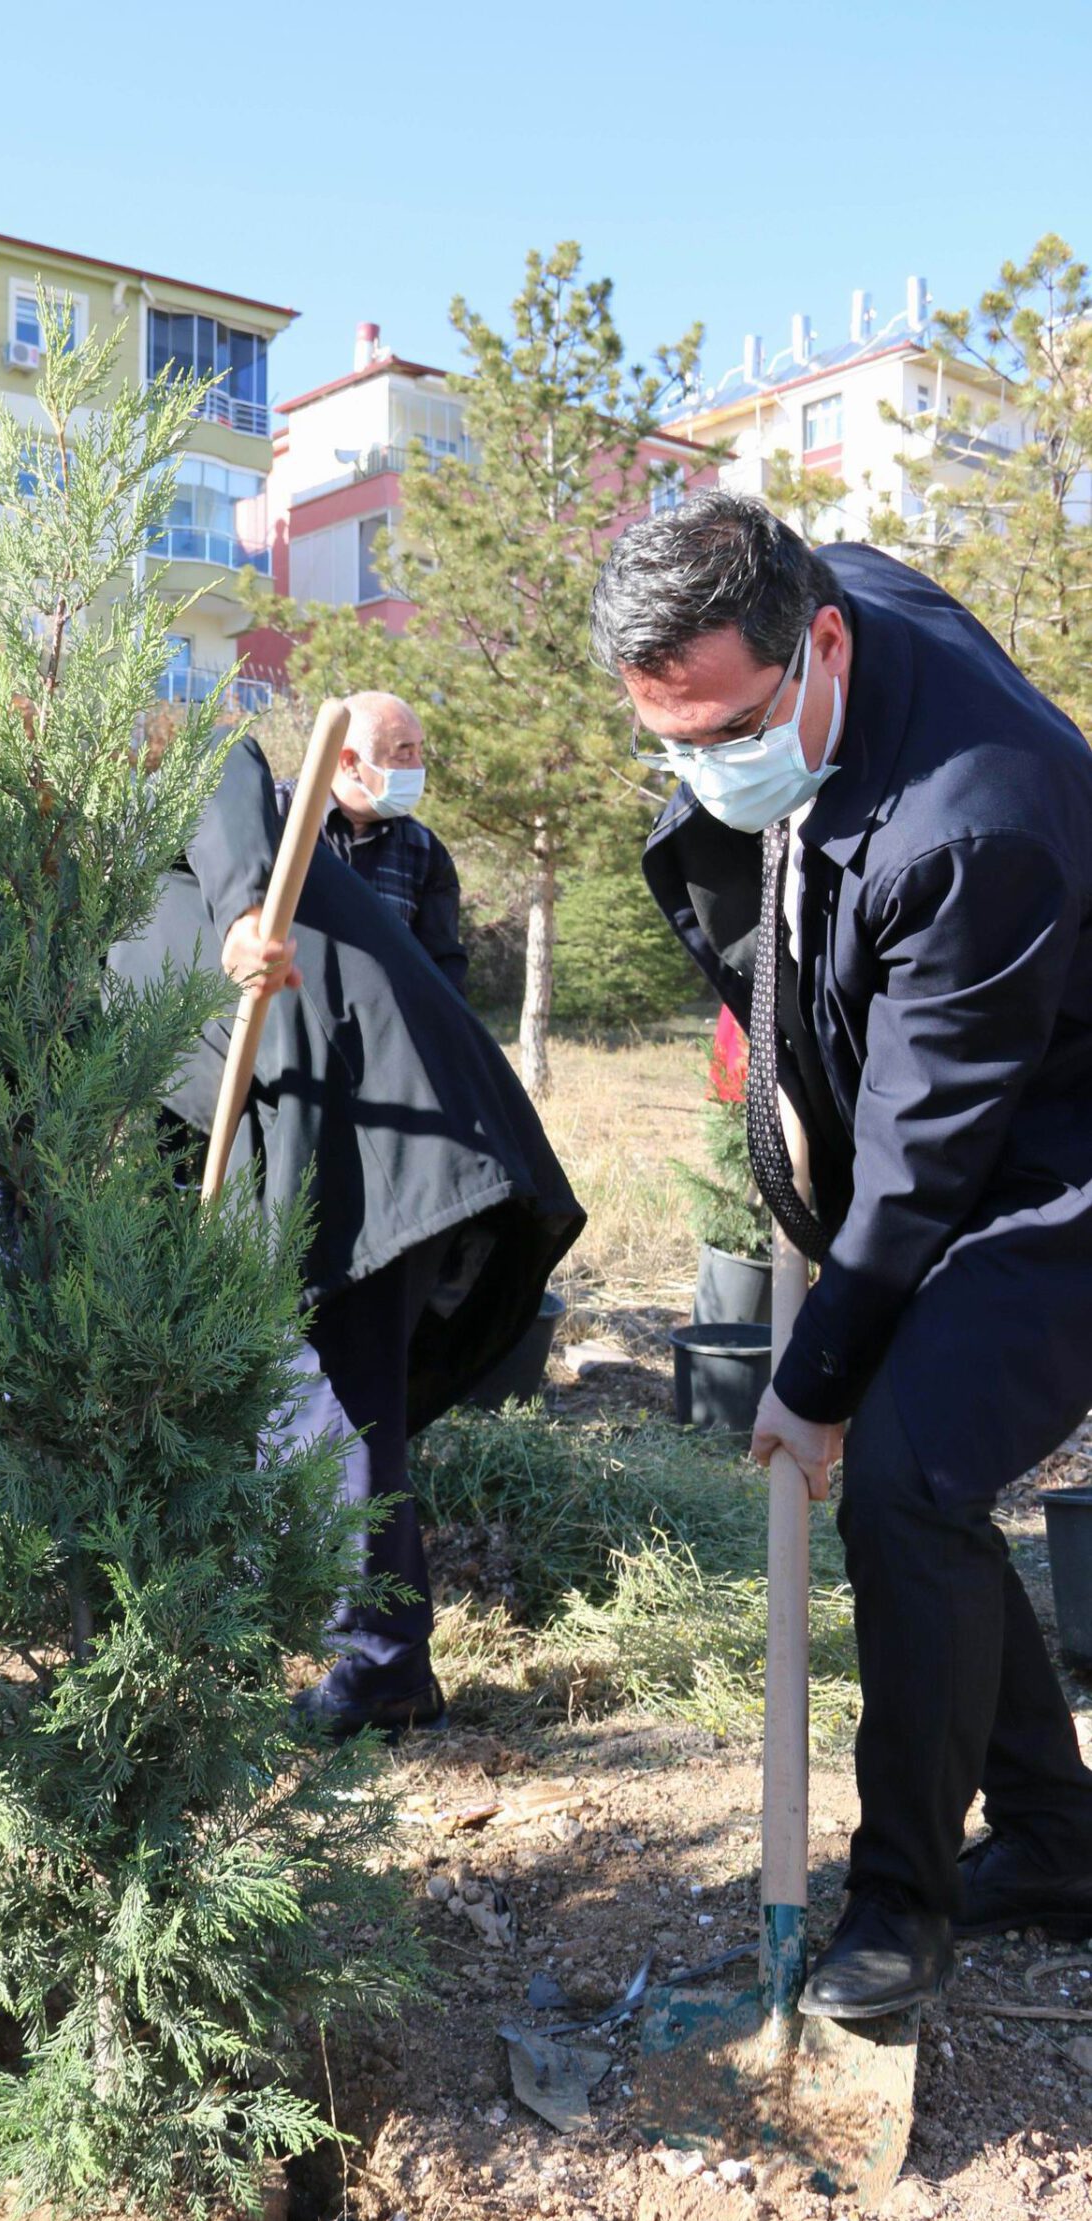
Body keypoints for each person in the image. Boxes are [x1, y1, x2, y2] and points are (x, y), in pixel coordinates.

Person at [591, 490, 1092, 2022]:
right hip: (965, 1092)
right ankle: (1064, 1846)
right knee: (917, 1489)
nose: (701, 767)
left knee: (900, 1474)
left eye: (727, 730)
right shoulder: (826, 596)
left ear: (816, 644)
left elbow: (916, 1169)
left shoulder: (978, 825)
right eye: (665, 739)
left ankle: (899, 1906)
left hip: (1060, 1155)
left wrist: (811, 1386)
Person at [111, 731, 583, 1741]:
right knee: (329, 1405)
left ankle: (379, 1670)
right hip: (308, 1149)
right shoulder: (94, 942)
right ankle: (382, 1661)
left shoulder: (156, 820)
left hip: (370, 1124)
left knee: (323, 1406)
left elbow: (216, 764)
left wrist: (245, 910)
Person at [286, 690, 467, 992]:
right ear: (349, 762)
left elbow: (441, 966)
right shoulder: (276, 814)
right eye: (404, 753)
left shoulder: (424, 851)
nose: (419, 767)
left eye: (420, 751)